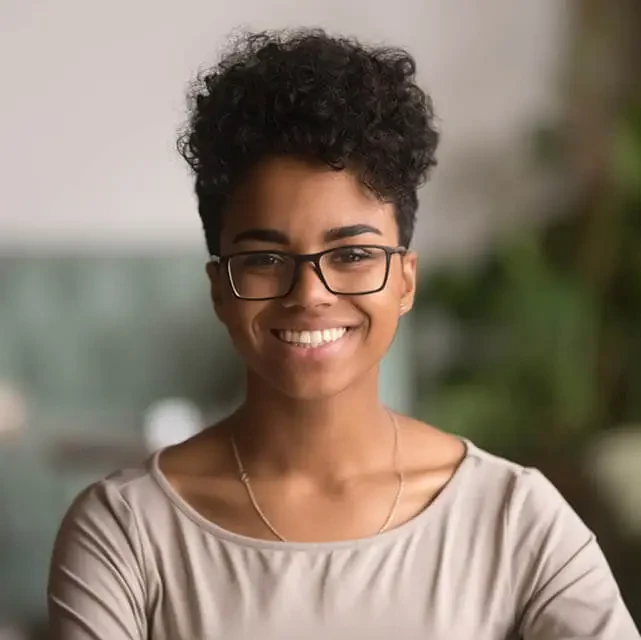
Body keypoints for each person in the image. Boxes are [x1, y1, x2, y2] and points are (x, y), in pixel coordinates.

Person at [47, 29, 639, 640]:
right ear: (220, 287)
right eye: (266, 259)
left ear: (405, 281)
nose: (310, 294)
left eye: (352, 253)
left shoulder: (512, 518)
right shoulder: (125, 533)